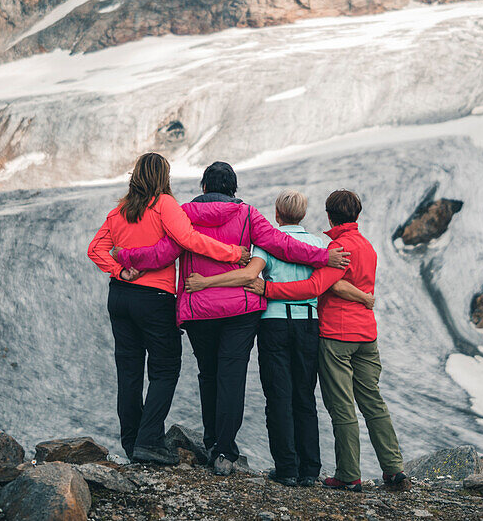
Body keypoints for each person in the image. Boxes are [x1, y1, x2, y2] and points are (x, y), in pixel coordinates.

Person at [113, 162, 351, 476]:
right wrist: (323, 256)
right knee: (231, 378)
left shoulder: (183, 215)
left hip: (199, 309)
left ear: (203, 188)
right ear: (233, 189)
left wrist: (125, 256)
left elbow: (162, 253)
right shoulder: (248, 214)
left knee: (208, 375)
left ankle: (211, 440)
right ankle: (224, 451)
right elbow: (283, 245)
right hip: (240, 312)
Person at [185, 189, 374, 488]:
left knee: (278, 397)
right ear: (304, 214)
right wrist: (365, 297)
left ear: (276, 213)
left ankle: (286, 469)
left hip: (274, 324)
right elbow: (330, 285)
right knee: (304, 396)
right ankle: (310, 469)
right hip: (309, 324)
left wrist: (206, 282)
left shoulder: (266, 243)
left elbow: (250, 276)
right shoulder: (319, 244)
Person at [86, 152, 249, 466]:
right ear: (163, 177)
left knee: (129, 373)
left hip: (119, 297)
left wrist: (119, 270)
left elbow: (95, 249)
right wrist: (233, 253)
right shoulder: (163, 205)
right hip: (154, 298)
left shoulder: (119, 210)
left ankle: (133, 443)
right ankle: (149, 441)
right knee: (164, 369)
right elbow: (190, 239)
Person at [245, 189, 409, 492]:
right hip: (366, 334)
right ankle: (394, 468)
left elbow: (316, 286)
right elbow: (351, 286)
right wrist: (362, 296)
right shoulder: (367, 247)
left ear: (330, 215)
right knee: (373, 402)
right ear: (357, 215)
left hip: (337, 334)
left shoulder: (336, 248)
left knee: (342, 406)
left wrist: (267, 290)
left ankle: (348, 475)